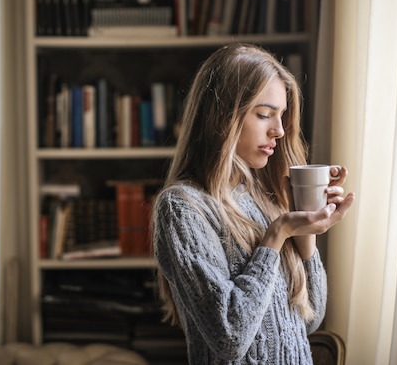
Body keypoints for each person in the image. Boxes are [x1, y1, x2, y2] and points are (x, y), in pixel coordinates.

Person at [152, 43, 355, 364]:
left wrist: (304, 228)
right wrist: (277, 234)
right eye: (264, 114)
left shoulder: (264, 196)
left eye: (282, 116)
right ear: (221, 117)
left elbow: (310, 317)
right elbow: (229, 336)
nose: (278, 130)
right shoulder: (182, 208)